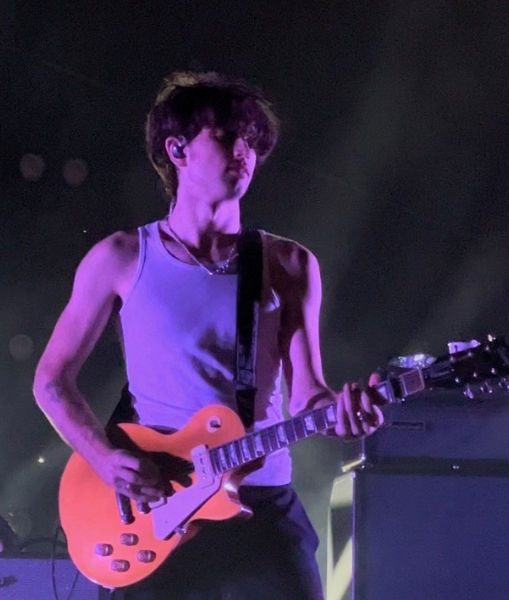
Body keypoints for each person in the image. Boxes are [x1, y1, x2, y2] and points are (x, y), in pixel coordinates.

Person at [33, 71, 386, 600]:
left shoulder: (289, 263)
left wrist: (344, 413)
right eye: (225, 134)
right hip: (157, 506)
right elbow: (51, 382)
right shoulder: (122, 258)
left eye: (252, 139)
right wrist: (106, 461)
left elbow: (308, 393)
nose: (244, 150)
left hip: (260, 507)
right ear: (177, 149)